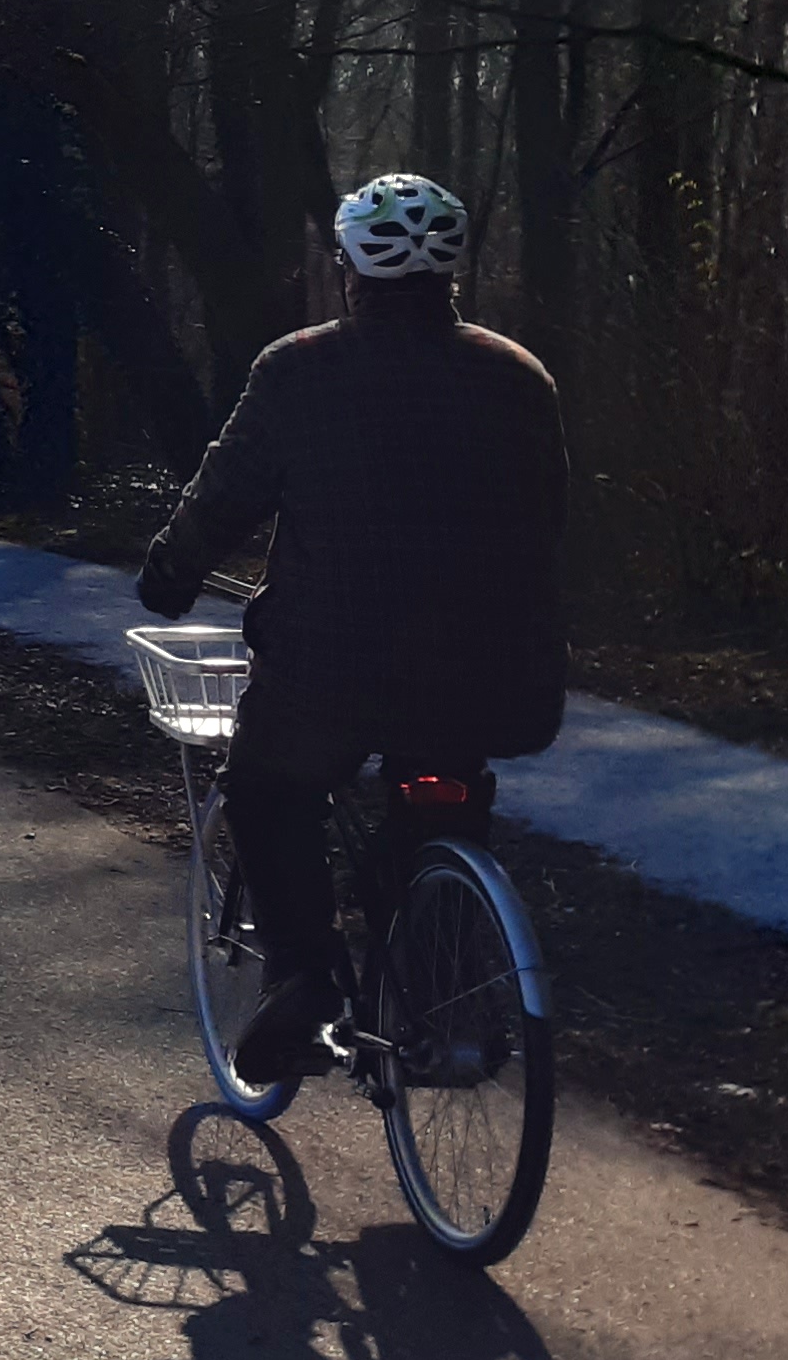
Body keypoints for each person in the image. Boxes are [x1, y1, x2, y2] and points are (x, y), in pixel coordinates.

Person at [135, 175, 568, 1085]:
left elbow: (226, 494)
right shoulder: (518, 375)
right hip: (490, 674)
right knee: (443, 793)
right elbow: (551, 525)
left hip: (328, 671)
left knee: (267, 787)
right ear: (452, 269)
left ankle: (303, 978)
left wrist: (170, 575)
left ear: (348, 268)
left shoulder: (299, 368)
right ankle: (448, 998)